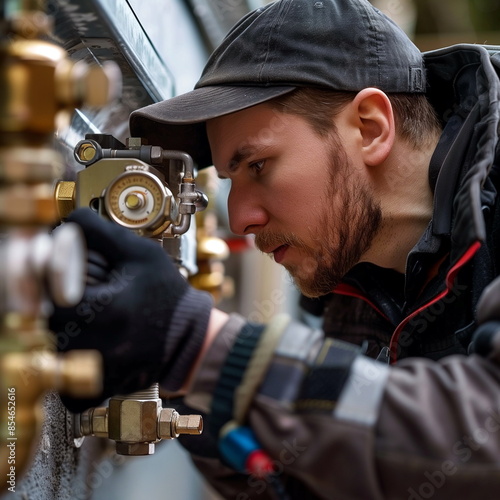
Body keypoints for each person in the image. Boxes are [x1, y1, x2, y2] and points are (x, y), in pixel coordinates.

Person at [49, 0, 500, 498]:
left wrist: (202, 347)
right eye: (229, 181)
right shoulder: (359, 288)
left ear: (370, 127)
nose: (241, 219)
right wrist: (189, 386)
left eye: (258, 165)